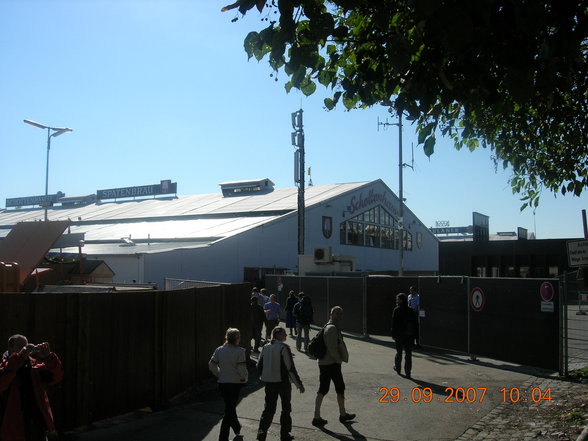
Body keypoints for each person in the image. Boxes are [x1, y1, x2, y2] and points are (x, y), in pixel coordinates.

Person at [0, 334, 64, 441]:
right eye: (20, 347)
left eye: (25, 346)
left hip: (36, 424)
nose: (24, 349)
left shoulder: (35, 366)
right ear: (10, 348)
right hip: (12, 425)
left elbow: (57, 377)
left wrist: (48, 357)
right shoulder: (4, 366)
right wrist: (18, 358)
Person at [256, 326, 304, 441]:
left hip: (269, 383)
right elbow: (290, 368)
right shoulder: (283, 348)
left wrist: (264, 376)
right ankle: (285, 434)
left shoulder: (265, 347)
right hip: (283, 383)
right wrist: (299, 384)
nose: (286, 336)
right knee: (286, 408)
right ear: (278, 335)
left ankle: (261, 434)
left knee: (268, 409)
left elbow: (259, 365)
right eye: (284, 334)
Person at [312, 306, 355, 427]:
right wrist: (338, 360)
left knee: (325, 389)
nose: (339, 316)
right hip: (331, 363)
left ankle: (318, 416)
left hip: (326, 363)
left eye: (341, 314)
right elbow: (332, 347)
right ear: (331, 314)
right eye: (337, 314)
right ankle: (341, 415)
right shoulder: (331, 328)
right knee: (336, 389)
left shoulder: (331, 326)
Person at [208, 328, 248, 441]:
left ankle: (236, 428)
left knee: (230, 407)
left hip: (222, 383)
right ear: (237, 338)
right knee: (229, 410)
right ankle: (223, 438)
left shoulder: (219, 350)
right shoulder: (240, 352)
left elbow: (211, 365)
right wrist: (243, 378)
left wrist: (218, 374)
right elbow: (242, 370)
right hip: (235, 383)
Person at [391, 293, 418, 379]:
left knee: (399, 353)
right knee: (408, 354)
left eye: (397, 299)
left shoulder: (397, 310)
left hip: (399, 334)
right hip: (409, 335)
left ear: (401, 300)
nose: (396, 300)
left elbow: (394, 323)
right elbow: (414, 324)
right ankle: (408, 372)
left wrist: (393, 334)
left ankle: (398, 368)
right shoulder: (410, 310)